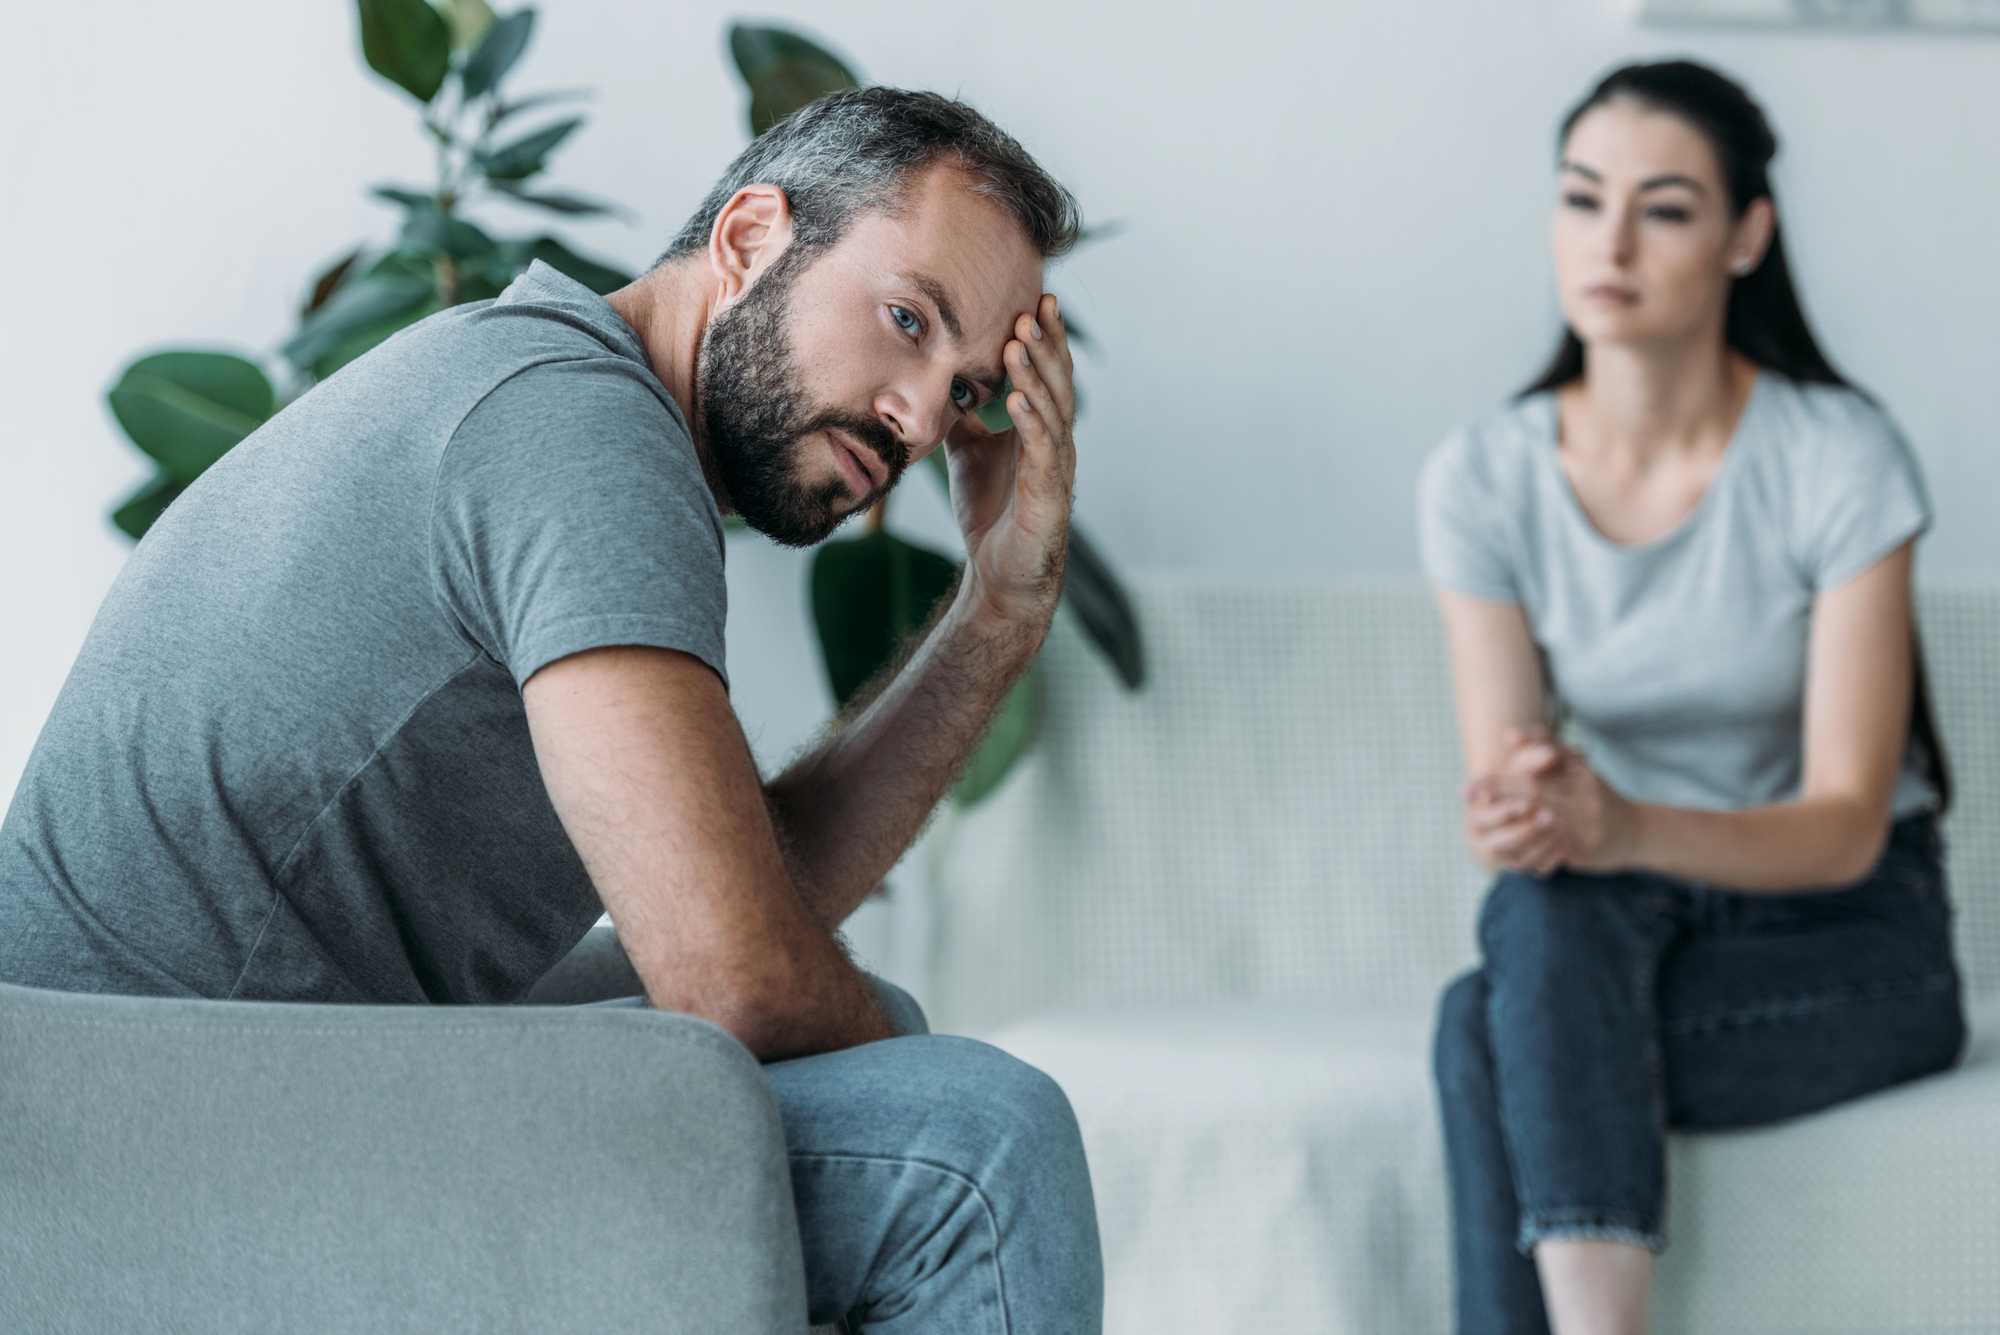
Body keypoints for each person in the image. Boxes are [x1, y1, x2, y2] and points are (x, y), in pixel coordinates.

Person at [1, 87, 1102, 1332]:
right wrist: (843, 1025)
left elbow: (748, 897)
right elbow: (738, 978)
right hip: (123, 1148)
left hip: (157, 1083)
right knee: (971, 1152)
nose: (914, 417)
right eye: (905, 320)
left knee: (874, 1043)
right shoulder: (581, 436)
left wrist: (999, 607)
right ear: (747, 240)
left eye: (962, 391)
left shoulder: (543, 379)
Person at [1421, 60, 1964, 1335]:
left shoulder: (1836, 456)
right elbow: (1510, 788)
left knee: (1481, 1027)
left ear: (1743, 237)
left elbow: (1842, 823)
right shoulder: (1483, 477)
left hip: (1853, 935)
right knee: (1528, 931)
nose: (1607, 242)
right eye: (1579, 198)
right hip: (1623, 924)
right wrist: (1524, 818)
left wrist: (1617, 828)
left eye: (1662, 209)